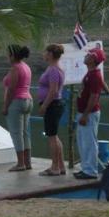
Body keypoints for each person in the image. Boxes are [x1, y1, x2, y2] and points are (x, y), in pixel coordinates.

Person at [74, 47, 107, 180]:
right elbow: (101, 85)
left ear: (93, 59)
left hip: (89, 114)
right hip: (83, 112)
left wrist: (86, 115)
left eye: (88, 55)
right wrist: (108, 89)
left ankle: (91, 171)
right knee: (83, 141)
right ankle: (85, 168)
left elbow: (94, 96)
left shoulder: (94, 76)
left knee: (89, 142)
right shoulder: (91, 73)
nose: (85, 56)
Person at [2, 44, 33, 171]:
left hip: (17, 102)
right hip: (28, 101)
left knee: (16, 134)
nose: (7, 57)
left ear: (13, 56)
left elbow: (11, 90)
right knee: (25, 133)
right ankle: (27, 162)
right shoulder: (26, 66)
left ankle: (20, 164)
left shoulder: (15, 68)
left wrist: (5, 106)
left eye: (8, 54)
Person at [37, 44, 66, 176]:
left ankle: (54, 167)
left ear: (50, 54)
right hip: (55, 105)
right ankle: (60, 165)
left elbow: (53, 90)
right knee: (54, 136)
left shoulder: (54, 69)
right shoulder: (53, 68)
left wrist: (44, 105)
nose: (44, 54)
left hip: (52, 105)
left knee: (52, 137)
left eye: (45, 52)